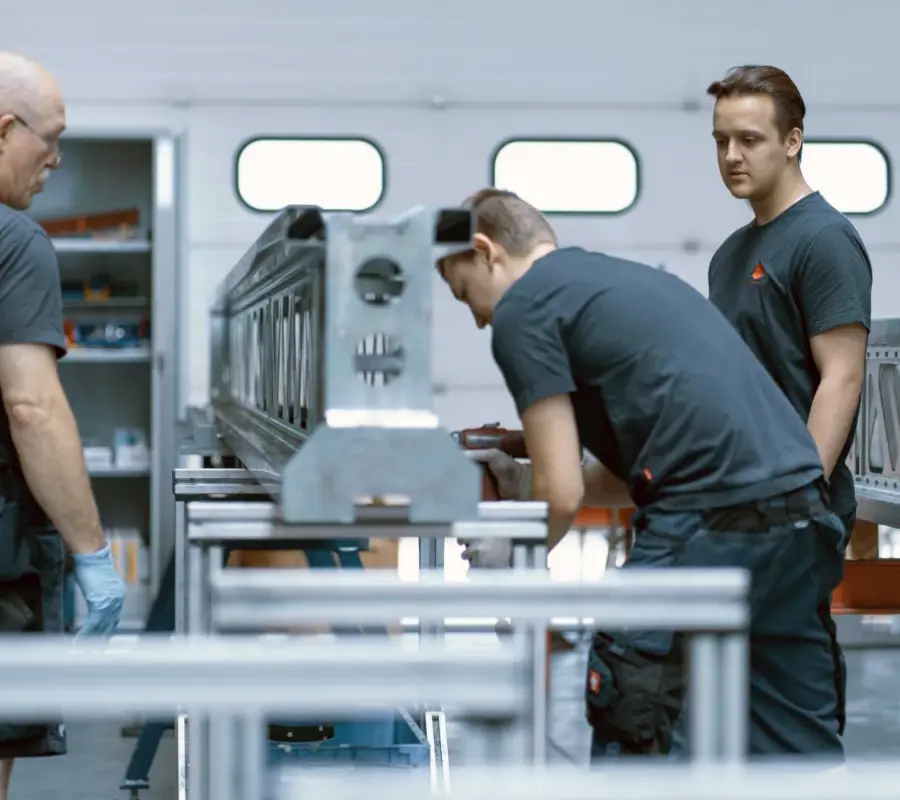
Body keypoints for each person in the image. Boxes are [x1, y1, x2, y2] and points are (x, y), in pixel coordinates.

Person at [437, 187, 847, 760]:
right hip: (802, 525)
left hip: (712, 529)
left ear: (486, 252)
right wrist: (526, 483)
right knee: (795, 747)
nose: (480, 319)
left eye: (465, 294)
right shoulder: (621, 283)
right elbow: (653, 468)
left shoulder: (525, 309)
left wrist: (512, 546)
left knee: (637, 720)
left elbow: (566, 489)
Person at [706, 64, 872, 740]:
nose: (731, 156)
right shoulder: (730, 254)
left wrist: (797, 497)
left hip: (792, 512)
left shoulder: (823, 239)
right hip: (736, 507)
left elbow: (843, 377)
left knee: (792, 713)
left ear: (794, 140)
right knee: (734, 706)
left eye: (749, 139)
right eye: (720, 141)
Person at [0, 51, 125, 798]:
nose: (56, 160)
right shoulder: (14, 242)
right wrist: (94, 556)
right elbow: (30, 405)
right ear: (3, 129)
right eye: (50, 138)